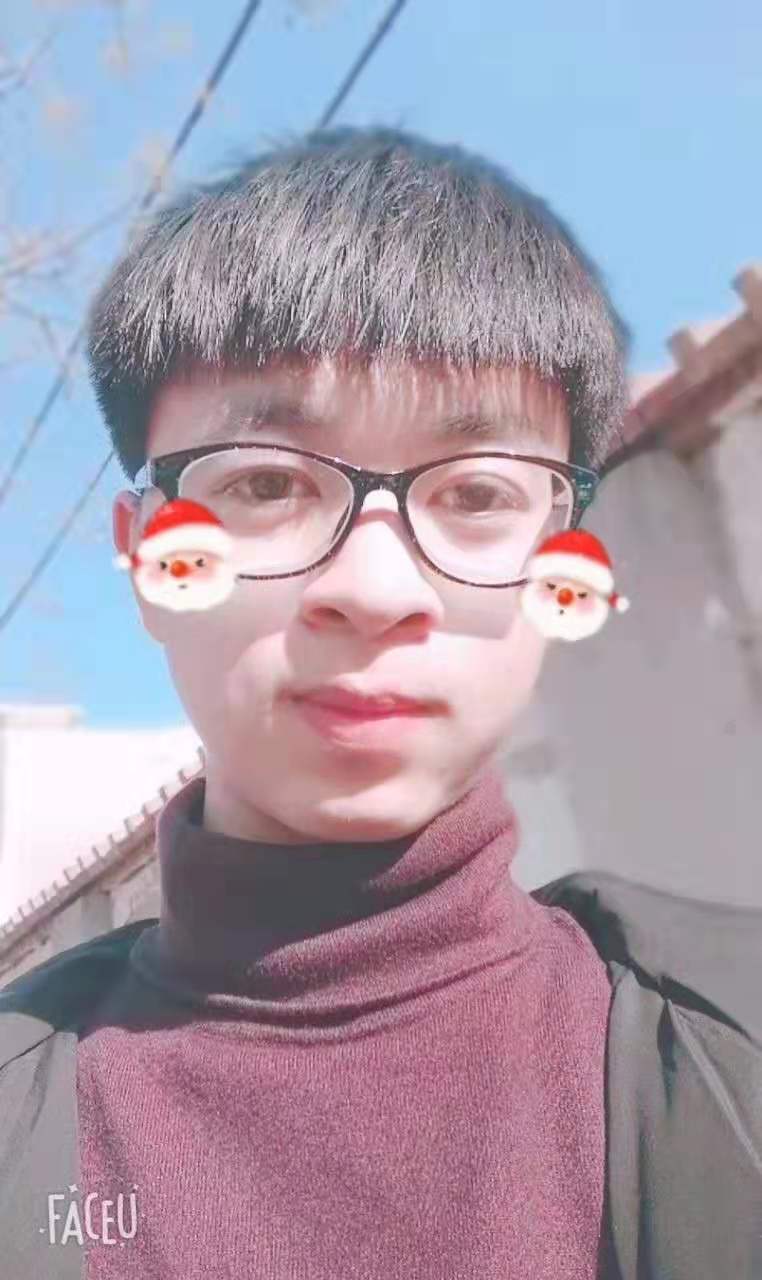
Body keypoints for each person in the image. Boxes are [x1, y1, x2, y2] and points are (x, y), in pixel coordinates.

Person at [1, 127, 760, 1280]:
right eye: (266, 481)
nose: (374, 586)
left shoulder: (731, 1047)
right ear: (146, 558)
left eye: (476, 493)